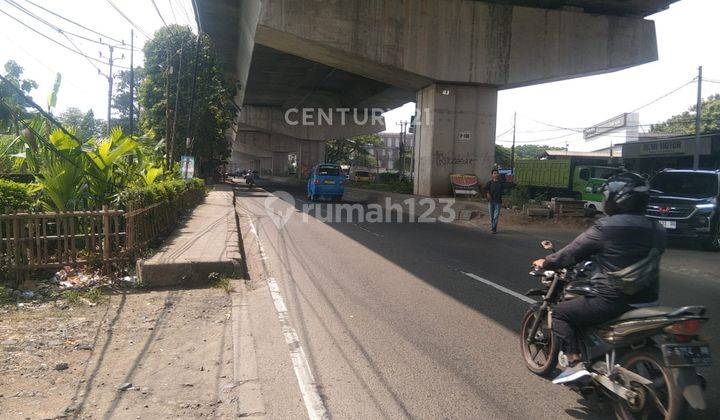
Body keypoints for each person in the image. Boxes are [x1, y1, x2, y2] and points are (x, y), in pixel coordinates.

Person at [531, 172, 666, 384]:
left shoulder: (607, 226)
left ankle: (575, 363)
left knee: (559, 313)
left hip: (612, 300)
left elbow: (571, 253)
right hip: (647, 301)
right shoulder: (657, 228)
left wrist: (546, 262)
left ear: (616, 198)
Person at [484, 169, 503, 234]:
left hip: (498, 202)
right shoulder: (489, 183)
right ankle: (493, 227)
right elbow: (485, 189)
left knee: (496, 216)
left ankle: (493, 229)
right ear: (492, 175)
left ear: (498, 174)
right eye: (494, 173)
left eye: (497, 173)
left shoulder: (501, 183)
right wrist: (488, 193)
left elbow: (507, 188)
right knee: (491, 216)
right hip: (491, 202)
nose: (496, 174)